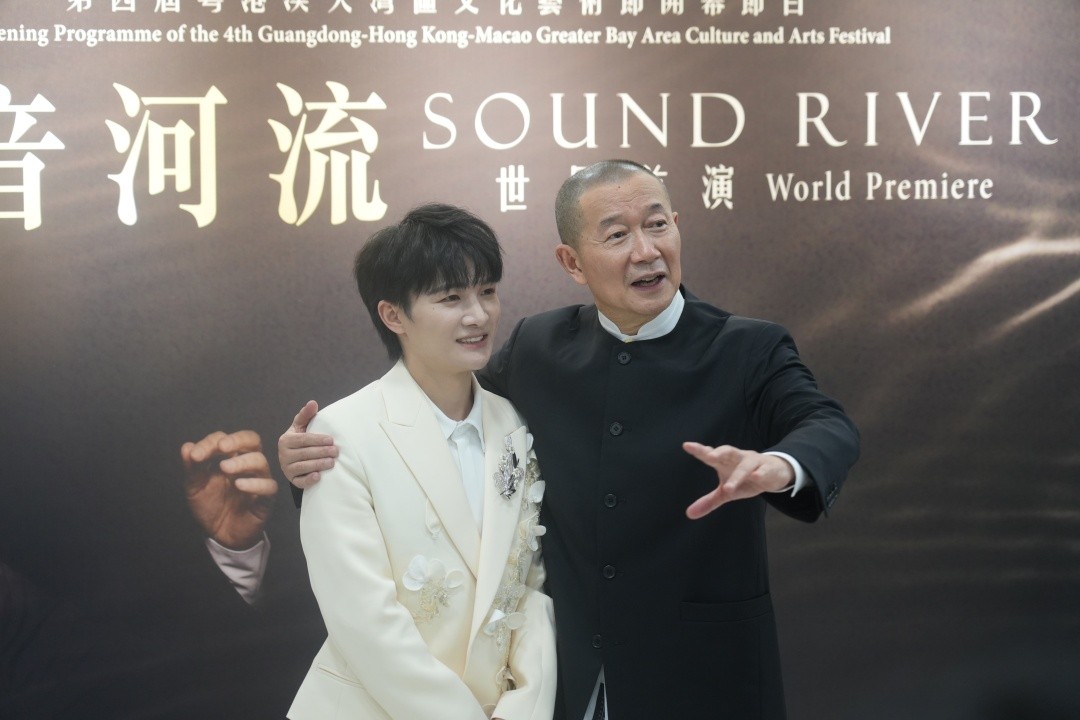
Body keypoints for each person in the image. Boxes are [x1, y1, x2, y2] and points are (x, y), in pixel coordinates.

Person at [280, 161, 860, 720]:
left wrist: (782, 465)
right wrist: (313, 459)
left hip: (703, 675)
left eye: (657, 224)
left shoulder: (748, 348)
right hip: (569, 682)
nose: (646, 250)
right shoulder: (537, 347)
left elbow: (826, 423)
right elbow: (438, 426)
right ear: (572, 262)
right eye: (617, 235)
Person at [286, 203, 556, 720]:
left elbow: (530, 589)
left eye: (488, 291)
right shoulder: (343, 432)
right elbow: (364, 620)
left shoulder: (513, 424)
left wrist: (523, 708)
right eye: (451, 298)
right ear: (394, 316)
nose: (479, 315)